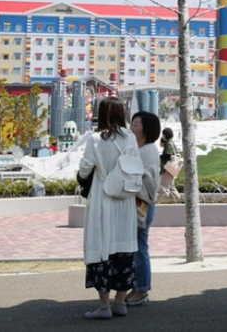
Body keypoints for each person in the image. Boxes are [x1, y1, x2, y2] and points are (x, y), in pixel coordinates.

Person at [77, 97, 138, 319]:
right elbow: (135, 164)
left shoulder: (95, 139)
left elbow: (85, 168)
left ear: (101, 114)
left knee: (102, 248)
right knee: (124, 251)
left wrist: (83, 177)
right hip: (125, 200)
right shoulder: (130, 137)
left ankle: (103, 306)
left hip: (103, 200)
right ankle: (120, 302)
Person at [127, 111, 161, 307]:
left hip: (142, 205)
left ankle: (142, 289)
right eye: (132, 124)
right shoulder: (140, 148)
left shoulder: (148, 150)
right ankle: (138, 286)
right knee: (136, 247)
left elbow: (148, 179)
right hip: (138, 203)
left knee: (140, 247)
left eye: (136, 124)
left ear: (146, 128)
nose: (132, 128)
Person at [157, 127, 180, 199]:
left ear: (165, 134)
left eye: (163, 134)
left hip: (167, 169)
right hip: (172, 169)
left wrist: (159, 157)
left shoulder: (169, 144)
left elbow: (167, 156)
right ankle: (178, 199)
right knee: (171, 187)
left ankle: (159, 202)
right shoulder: (171, 142)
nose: (162, 136)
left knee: (162, 186)